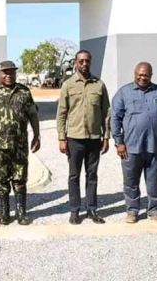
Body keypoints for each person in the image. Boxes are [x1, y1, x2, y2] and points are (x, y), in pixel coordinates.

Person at [111, 62, 157, 224]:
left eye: (146, 75)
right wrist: (119, 141)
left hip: (156, 146)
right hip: (130, 147)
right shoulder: (123, 93)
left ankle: (155, 210)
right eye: (140, 74)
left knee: (153, 180)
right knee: (131, 181)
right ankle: (132, 211)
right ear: (134, 73)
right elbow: (114, 119)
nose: (142, 77)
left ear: (151, 75)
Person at [0, 60, 40, 226]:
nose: (8, 75)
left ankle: (21, 212)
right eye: (5, 72)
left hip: (20, 145)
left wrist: (37, 135)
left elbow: (33, 114)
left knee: (20, 179)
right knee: (2, 179)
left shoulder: (24, 91)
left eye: (12, 72)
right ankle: (4, 212)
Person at [56, 50, 110, 225]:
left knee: (92, 175)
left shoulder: (99, 85)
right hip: (74, 138)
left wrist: (106, 136)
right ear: (76, 63)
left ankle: (92, 209)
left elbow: (106, 113)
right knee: (74, 176)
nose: (84, 64)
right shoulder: (68, 85)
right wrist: (61, 138)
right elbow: (61, 113)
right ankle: (74, 210)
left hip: (94, 138)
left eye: (87, 61)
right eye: (81, 61)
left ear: (90, 62)